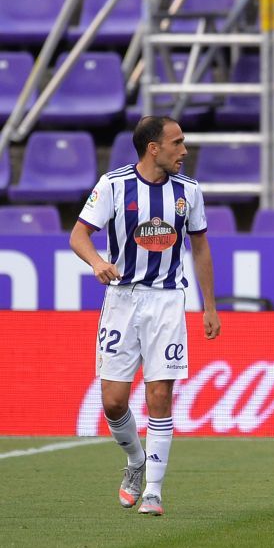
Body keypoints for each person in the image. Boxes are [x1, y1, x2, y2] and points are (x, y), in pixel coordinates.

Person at [69, 116, 221, 516]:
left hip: (167, 300)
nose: (184, 150)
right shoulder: (113, 185)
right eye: (177, 143)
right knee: (113, 402)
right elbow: (78, 235)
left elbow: (201, 247)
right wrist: (97, 262)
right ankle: (136, 460)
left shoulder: (189, 191)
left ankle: (153, 490)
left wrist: (209, 306)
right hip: (122, 300)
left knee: (160, 395)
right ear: (153, 148)